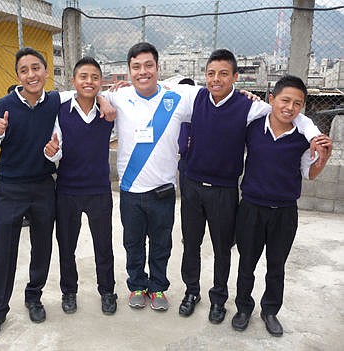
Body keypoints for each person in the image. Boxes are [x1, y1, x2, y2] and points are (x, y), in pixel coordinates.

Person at [175, 49, 323, 324]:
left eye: (223, 74)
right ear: (204, 75)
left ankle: (218, 299)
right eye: (210, 74)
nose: (215, 79)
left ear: (235, 77)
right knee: (191, 244)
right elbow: (161, 91)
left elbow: (292, 113)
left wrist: (315, 135)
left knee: (222, 249)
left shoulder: (250, 107)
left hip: (224, 190)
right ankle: (191, 292)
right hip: (192, 186)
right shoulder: (194, 97)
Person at [0, 47, 79, 342]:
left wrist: (54, 152)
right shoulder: (3, 105)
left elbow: (59, 144)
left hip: (42, 186)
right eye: (25, 70)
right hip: (10, 188)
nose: (31, 74)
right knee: (4, 252)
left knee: (42, 248)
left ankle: (33, 297)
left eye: (36, 68)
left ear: (46, 72)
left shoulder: (56, 103)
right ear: (18, 76)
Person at [231, 75, 332, 336]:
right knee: (247, 264)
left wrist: (324, 158)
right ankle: (243, 308)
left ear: (302, 108)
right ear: (272, 100)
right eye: (285, 100)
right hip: (251, 208)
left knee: (276, 266)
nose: (290, 107)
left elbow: (309, 174)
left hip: (285, 212)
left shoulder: (302, 138)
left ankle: (270, 311)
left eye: (297, 103)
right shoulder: (252, 128)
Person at [103, 42, 198, 311]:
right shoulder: (118, 97)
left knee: (161, 244)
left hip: (163, 192)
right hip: (131, 191)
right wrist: (102, 98)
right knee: (133, 244)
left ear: (158, 68)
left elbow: (216, 99)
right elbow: (80, 96)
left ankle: (157, 288)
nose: (142, 72)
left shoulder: (176, 98)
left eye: (148, 66)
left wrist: (247, 97)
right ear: (129, 71)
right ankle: (137, 286)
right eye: (136, 67)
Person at [43, 57, 117, 316]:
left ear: (100, 82)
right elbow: (55, 151)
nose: (89, 81)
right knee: (66, 246)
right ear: (73, 81)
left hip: (99, 190)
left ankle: (107, 291)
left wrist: (104, 99)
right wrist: (51, 152)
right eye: (83, 77)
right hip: (67, 191)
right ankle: (69, 292)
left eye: (95, 77)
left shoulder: (108, 111)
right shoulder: (61, 111)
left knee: (103, 245)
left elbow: (125, 94)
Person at [0, 84, 30, 229]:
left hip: (34, 176)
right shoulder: (2, 120)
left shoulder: (35, 115)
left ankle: (27, 216)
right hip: (11, 178)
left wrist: (100, 99)